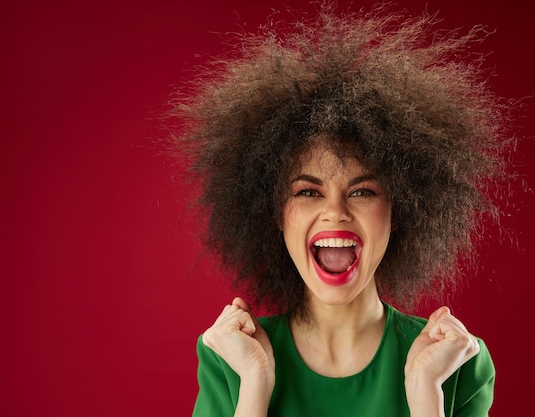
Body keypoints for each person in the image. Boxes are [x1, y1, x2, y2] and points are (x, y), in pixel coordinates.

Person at [171, 4, 512, 416]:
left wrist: (425, 392)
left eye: (362, 191)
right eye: (308, 193)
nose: (335, 212)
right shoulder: (230, 357)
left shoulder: (458, 362)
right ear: (275, 213)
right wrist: (255, 385)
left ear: (399, 209)